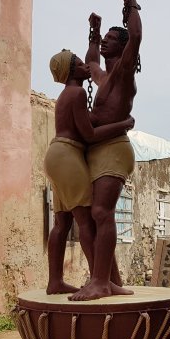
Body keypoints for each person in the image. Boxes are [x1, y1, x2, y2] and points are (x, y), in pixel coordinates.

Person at [70, 0, 142, 301]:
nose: (105, 44)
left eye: (111, 40)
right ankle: (111, 280)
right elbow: (91, 64)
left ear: (122, 47)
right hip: (97, 149)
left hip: (114, 149)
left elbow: (136, 37)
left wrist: (130, 5)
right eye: (106, 40)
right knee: (92, 216)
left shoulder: (125, 74)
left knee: (102, 212)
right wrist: (94, 33)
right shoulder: (102, 79)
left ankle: (100, 282)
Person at [44, 49, 135, 296]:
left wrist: (94, 36)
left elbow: (87, 124)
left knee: (62, 221)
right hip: (68, 155)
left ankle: (55, 281)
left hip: (55, 155)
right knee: (87, 221)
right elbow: (90, 135)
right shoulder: (78, 92)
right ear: (71, 69)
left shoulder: (65, 95)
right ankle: (101, 281)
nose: (86, 65)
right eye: (79, 62)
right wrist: (123, 125)